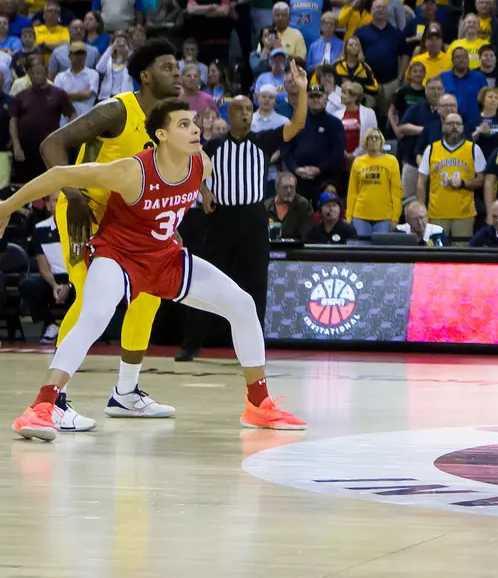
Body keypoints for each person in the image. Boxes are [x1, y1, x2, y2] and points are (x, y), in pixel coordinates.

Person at [6, 100, 306, 440]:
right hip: (119, 256)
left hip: (165, 257)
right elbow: (59, 174)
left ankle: (258, 404)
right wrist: (6, 207)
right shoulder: (131, 171)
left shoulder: (202, 165)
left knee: (242, 305)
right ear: (161, 135)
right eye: (183, 125)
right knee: (95, 314)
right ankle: (42, 406)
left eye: (194, 122)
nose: (195, 129)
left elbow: (182, 196)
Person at [177, 71, 312, 362]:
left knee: (256, 284)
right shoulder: (213, 145)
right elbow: (192, 164)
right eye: (241, 111)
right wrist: (205, 192)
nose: (247, 115)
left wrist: (301, 89)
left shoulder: (263, 140)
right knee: (205, 281)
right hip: (220, 219)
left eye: (250, 111)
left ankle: (253, 345)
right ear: (231, 113)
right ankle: (192, 342)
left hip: (253, 219)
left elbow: (298, 123)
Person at [418, 112, 486, 239]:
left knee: (461, 254)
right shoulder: (431, 148)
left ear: (462, 127)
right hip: (436, 213)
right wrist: (421, 209)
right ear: (443, 126)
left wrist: (463, 183)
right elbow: (422, 180)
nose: (454, 127)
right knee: (436, 254)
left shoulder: (473, 149)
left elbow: (482, 180)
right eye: (450, 123)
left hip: (464, 215)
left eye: (458, 124)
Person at [344, 129, 402, 234]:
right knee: (361, 248)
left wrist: (395, 217)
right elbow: (352, 191)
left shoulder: (392, 161)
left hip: (384, 216)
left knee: (380, 249)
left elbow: (396, 191)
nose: (374, 140)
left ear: (382, 141)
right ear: (365, 141)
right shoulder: (358, 161)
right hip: (360, 215)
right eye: (370, 138)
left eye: (377, 137)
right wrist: (349, 216)